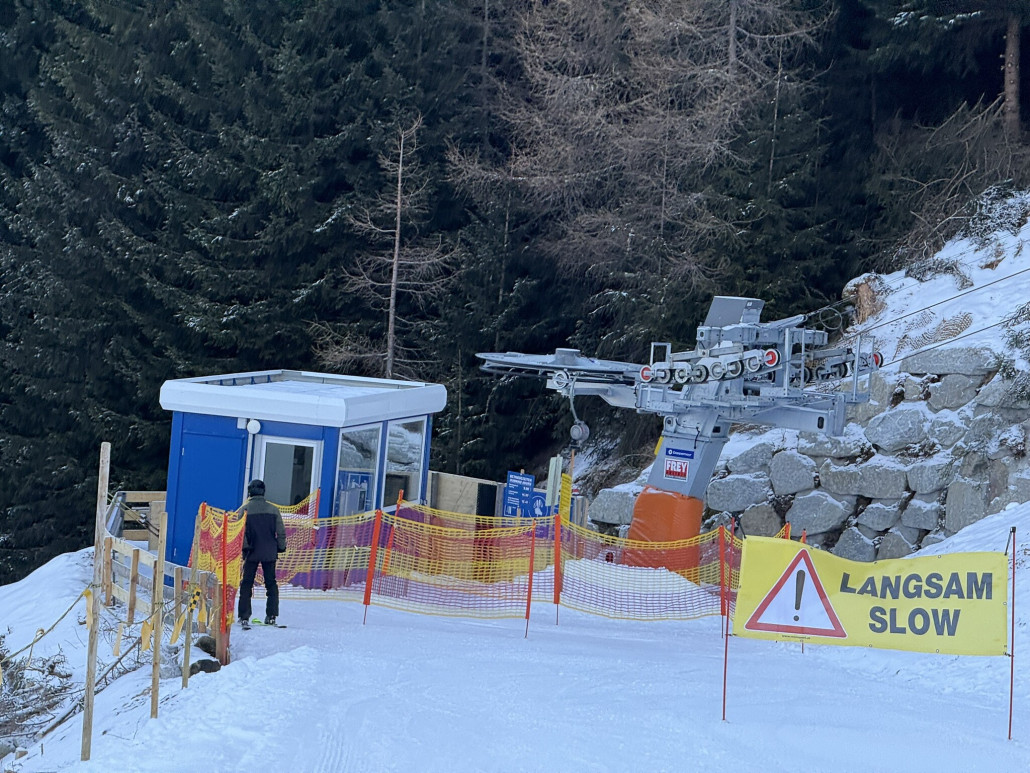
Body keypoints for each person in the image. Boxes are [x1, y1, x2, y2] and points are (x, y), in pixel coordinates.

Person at [237, 479, 287, 628]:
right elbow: (281, 531)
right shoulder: (273, 510)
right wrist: (280, 547)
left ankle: (244, 615)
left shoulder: (244, 510)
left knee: (247, 583)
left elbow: (240, 533)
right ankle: (271, 615)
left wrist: (245, 548)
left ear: (250, 492)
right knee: (271, 583)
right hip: (269, 551)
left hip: (251, 551)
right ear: (263, 491)